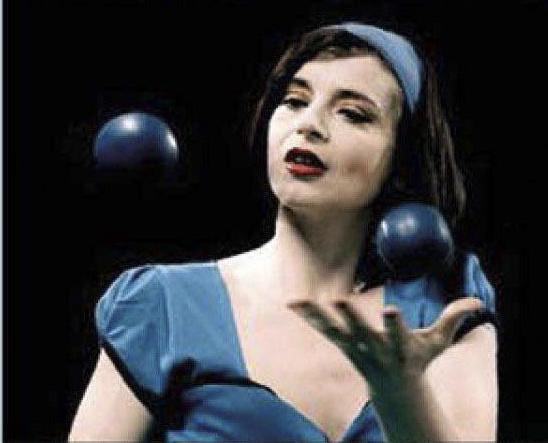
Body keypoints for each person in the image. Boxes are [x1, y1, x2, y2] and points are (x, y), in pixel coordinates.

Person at [69, 22, 498, 442]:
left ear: (401, 162)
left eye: (352, 113)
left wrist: (401, 392)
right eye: (294, 101)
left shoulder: (446, 303)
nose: (309, 124)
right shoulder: (161, 305)